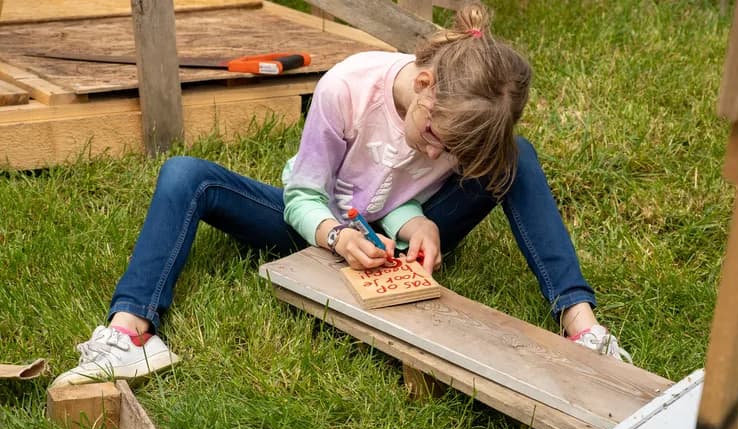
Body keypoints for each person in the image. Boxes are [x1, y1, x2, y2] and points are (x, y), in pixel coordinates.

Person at [51, 2, 629, 388]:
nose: (435, 155)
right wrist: (336, 234)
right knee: (184, 174)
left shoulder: (458, 122)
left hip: (394, 235)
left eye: (448, 153)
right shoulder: (349, 86)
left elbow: (399, 189)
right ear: (424, 84)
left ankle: (582, 326)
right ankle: (132, 333)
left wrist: (416, 225)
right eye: (434, 136)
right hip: (316, 222)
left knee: (518, 158)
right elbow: (305, 193)